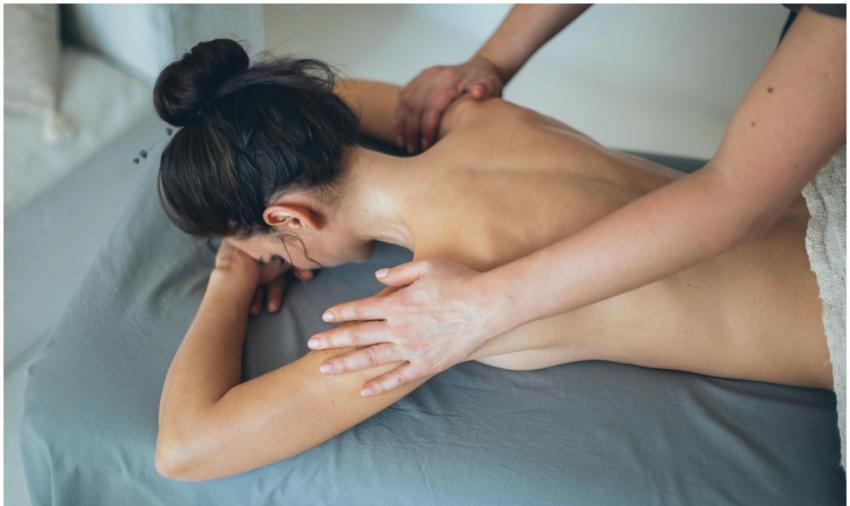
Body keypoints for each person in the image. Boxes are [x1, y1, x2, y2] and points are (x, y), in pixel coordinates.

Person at [154, 39, 831, 481]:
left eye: (277, 245)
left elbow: (186, 446)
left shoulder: (436, 306)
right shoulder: (479, 117)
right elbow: (328, 96)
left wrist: (232, 272)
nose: (288, 260)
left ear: (290, 218)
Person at [309, 5, 846, 403]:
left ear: (288, 217)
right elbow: (308, 106)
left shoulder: (453, 265)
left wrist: (481, 306)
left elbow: (737, 198)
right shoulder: (478, 118)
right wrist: (492, 58)